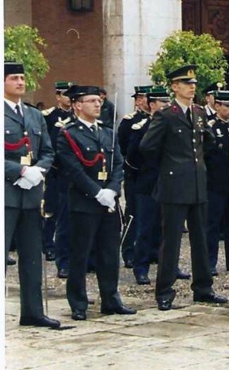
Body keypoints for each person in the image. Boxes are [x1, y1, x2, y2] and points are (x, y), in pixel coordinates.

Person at [139, 65, 227, 311]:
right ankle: (165, 291)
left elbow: (207, 141)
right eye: (186, 83)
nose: (192, 87)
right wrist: (171, 166)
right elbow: (147, 146)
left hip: (197, 182)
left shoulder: (198, 112)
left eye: (194, 84)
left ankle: (203, 288)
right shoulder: (166, 115)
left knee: (201, 238)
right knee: (172, 241)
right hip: (174, 184)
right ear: (174, 87)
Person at [55, 85, 136, 321]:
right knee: (80, 254)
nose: (97, 104)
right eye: (91, 101)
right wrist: (96, 192)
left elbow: (118, 164)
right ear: (77, 105)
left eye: (98, 101)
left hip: (108, 202)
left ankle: (110, 299)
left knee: (109, 253)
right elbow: (73, 169)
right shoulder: (68, 133)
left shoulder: (106, 132)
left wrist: (111, 190)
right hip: (84, 202)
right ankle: (78, 303)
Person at [4, 60, 61, 329]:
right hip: (7, 193)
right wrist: (19, 172)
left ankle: (32, 312)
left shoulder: (34, 115)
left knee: (31, 256)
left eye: (22, 78)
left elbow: (48, 151)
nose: (21, 82)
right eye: (14, 78)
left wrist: (39, 170)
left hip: (31, 196)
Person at [126, 86, 170, 285]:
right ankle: (140, 267)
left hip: (168, 183)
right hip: (147, 183)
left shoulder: (171, 125)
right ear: (152, 105)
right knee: (145, 227)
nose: (166, 106)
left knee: (168, 229)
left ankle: (168, 266)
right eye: (162, 103)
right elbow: (132, 157)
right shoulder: (141, 127)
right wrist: (143, 174)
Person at [204, 90, 229, 276]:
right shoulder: (210, 127)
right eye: (227, 106)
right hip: (214, 182)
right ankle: (209, 261)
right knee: (212, 223)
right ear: (217, 106)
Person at [116, 85, 151, 268]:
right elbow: (122, 147)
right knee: (133, 213)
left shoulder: (158, 119)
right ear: (138, 100)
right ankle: (128, 251)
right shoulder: (130, 122)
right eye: (145, 97)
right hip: (134, 173)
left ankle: (151, 251)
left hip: (153, 175)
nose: (148, 100)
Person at [41, 81, 75, 266]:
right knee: (51, 209)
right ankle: (48, 244)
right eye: (65, 94)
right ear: (58, 96)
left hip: (70, 171)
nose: (68, 98)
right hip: (54, 170)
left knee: (67, 211)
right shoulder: (49, 116)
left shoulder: (77, 116)